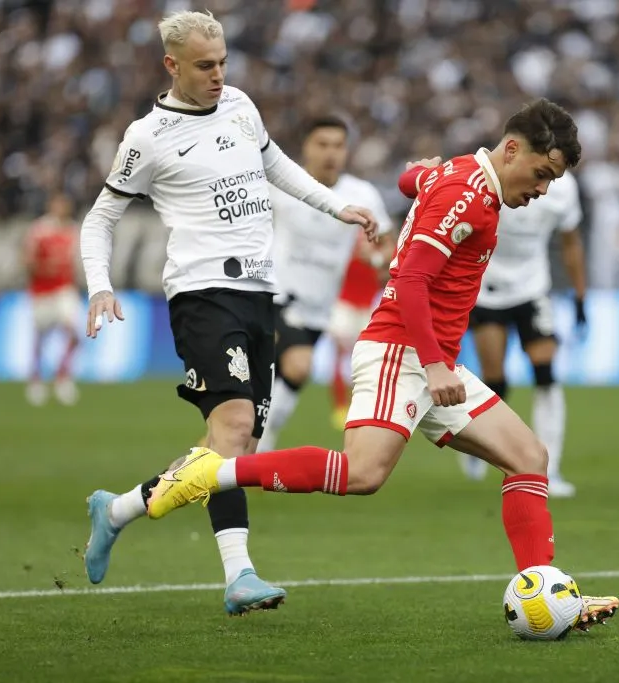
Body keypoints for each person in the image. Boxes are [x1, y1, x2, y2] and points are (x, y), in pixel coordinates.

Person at [144, 98, 619, 630]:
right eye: (541, 173)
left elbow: (404, 180)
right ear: (512, 149)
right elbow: (412, 280)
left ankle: (546, 594)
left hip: (430, 357)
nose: (542, 190)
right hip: (404, 351)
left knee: (529, 457)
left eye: (552, 181)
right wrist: (437, 365)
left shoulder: (461, 175)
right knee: (362, 473)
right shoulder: (467, 195)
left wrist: (423, 176)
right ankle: (210, 471)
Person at [78, 10, 377, 615]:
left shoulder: (240, 105)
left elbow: (274, 166)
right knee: (236, 433)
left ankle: (117, 510)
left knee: (229, 450)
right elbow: (100, 218)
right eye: (204, 66)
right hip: (201, 294)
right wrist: (98, 286)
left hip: (259, 297)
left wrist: (334, 207)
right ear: (172, 66)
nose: (217, 75)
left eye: (222, 63)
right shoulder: (147, 137)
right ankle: (239, 576)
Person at [256, 116, 393, 452]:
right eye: (322, 144)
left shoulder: (361, 194)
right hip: (274, 294)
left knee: (282, 378)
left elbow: (389, 247)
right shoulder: (282, 184)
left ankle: (257, 436)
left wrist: (375, 258)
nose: (331, 153)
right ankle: (258, 443)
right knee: (299, 366)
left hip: (320, 306)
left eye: (338, 145)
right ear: (306, 147)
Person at [461, 171, 587, 497]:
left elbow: (571, 242)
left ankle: (550, 469)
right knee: (495, 381)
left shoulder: (565, 189)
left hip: (533, 288)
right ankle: (477, 445)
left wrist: (580, 296)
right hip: (488, 289)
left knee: (545, 371)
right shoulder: (496, 176)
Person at [24, 192, 81, 407]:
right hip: (42, 291)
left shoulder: (73, 230)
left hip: (64, 290)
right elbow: (28, 262)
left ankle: (62, 376)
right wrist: (48, 268)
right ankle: (36, 378)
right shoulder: (39, 231)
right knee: (40, 338)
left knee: (73, 333)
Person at [328, 234, 391, 429]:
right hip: (344, 305)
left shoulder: (381, 239)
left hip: (367, 308)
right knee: (339, 355)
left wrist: (375, 259)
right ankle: (339, 407)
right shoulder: (345, 239)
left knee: (363, 360)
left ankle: (360, 407)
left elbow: (387, 272)